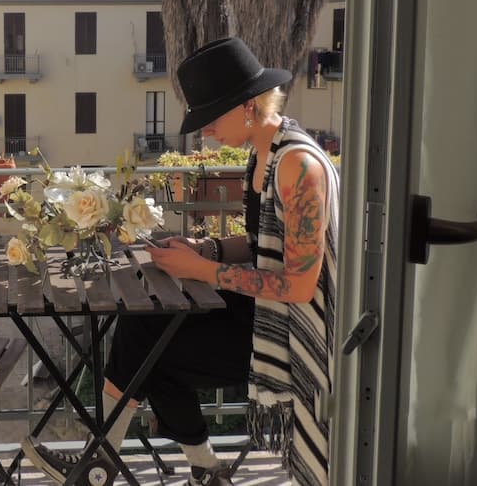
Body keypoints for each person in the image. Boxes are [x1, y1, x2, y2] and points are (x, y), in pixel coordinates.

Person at [21, 37, 339, 486]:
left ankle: (107, 466)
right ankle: (179, 468)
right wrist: (205, 249)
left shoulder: (298, 166)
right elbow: (261, 244)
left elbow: (301, 285)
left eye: (211, 117)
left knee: (152, 347)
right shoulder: (264, 155)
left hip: (291, 332)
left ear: (248, 105)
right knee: (146, 329)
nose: (204, 131)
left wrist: (204, 271)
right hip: (262, 313)